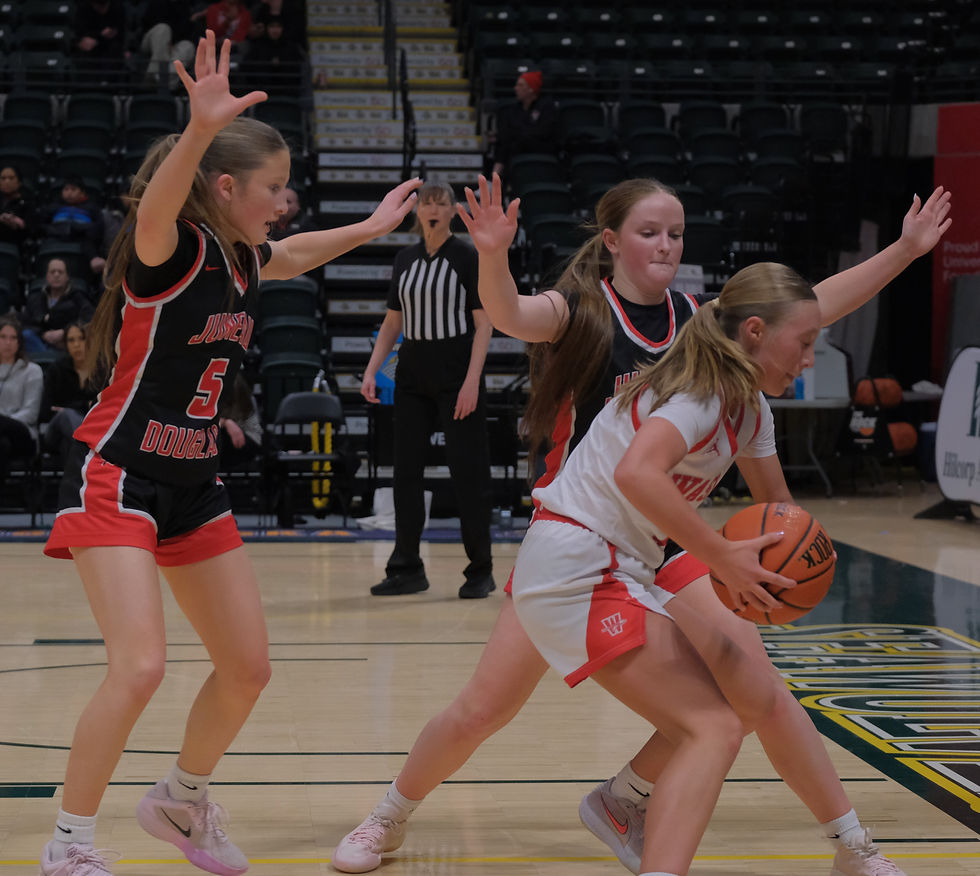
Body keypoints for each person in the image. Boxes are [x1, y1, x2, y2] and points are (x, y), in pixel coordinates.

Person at [332, 173, 951, 874]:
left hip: (661, 538)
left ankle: (849, 845)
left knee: (756, 693)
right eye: (649, 232)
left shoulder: (704, 325)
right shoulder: (582, 312)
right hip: (581, 533)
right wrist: (494, 255)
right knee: (484, 708)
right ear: (612, 241)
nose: (665, 245)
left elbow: (801, 309)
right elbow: (506, 314)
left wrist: (904, 251)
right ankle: (389, 814)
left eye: (676, 233)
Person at [38, 30, 421, 876]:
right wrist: (199, 129)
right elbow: (153, 209)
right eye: (273, 187)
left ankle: (181, 799)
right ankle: (67, 845)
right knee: (140, 668)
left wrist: (371, 226)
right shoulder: (167, 250)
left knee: (247, 668)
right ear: (224, 187)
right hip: (118, 471)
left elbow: (295, 253)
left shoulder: (243, 259)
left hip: (192, 480)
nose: (285, 200)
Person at [509, 261, 837, 875]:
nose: (809, 359)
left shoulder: (748, 408)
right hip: (577, 561)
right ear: (757, 332)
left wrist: (805, 560)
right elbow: (637, 474)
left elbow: (780, 513)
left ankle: (621, 805)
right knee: (710, 727)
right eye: (804, 342)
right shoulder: (699, 393)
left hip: (616, 565)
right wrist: (721, 556)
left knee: (734, 710)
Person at [359, 180, 495, 599]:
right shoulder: (404, 259)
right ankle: (406, 568)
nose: (434, 209)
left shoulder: (468, 257)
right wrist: (371, 369)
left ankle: (480, 570)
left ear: (453, 211)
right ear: (417, 212)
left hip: (457, 371)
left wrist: (472, 381)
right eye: (427, 203)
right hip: (412, 372)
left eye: (441, 203)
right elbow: (393, 322)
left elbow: (484, 323)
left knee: (468, 472)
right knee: (406, 473)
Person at [42, 322, 100, 467]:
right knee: (67, 415)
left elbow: (103, 407)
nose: (76, 345)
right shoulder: (56, 369)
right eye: (71, 340)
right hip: (55, 429)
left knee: (67, 444)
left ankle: (75, 479)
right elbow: (45, 411)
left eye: (81, 339)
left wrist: (72, 407)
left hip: (90, 429)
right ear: (66, 344)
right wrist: (84, 405)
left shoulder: (100, 370)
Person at [488, 70, 558, 179]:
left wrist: (518, 133)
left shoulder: (546, 107)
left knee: (514, 141)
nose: (516, 88)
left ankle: (497, 175)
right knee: (503, 142)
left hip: (539, 149)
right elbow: (509, 130)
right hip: (517, 148)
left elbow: (543, 131)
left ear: (531, 89)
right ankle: (496, 176)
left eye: (520, 85)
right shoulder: (515, 109)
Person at [21, 259, 95, 354]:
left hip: (67, 343)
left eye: (60, 272)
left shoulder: (78, 297)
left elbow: (89, 318)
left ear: (67, 277)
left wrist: (65, 332)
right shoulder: (36, 298)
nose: (56, 275)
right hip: (40, 343)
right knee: (26, 334)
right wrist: (43, 334)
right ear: (47, 277)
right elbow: (25, 323)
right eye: (53, 272)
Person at [0, 314, 43, 478]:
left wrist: (5, 422)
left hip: (23, 433)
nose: (8, 342)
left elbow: (31, 414)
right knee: (2, 444)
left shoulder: (32, 371)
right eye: (3, 337)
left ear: (19, 342)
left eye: (13, 338)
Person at [241, 15, 305, 95]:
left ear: (283, 28)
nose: (275, 30)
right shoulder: (258, 46)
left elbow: (299, 66)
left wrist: (281, 63)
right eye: (272, 26)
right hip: (262, 90)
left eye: (278, 27)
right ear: (267, 28)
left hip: (288, 91)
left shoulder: (291, 47)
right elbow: (248, 67)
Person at [139, 0, 197, 85]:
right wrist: (167, 41)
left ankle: (159, 81)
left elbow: (185, 32)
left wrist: (172, 42)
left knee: (188, 46)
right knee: (163, 29)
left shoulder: (184, 5)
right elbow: (148, 23)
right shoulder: (156, 3)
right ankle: (151, 74)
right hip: (151, 40)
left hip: (174, 43)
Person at [0, 164, 35, 250]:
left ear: (19, 182)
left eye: (11, 178)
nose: (7, 181)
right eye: (3, 178)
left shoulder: (27, 203)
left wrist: (17, 223)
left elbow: (32, 230)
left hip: (16, 247)